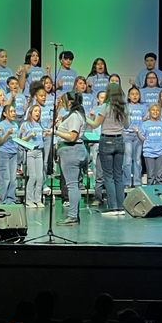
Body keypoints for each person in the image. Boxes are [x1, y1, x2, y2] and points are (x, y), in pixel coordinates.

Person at [84, 83, 127, 214]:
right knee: (118, 175)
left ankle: (113, 207)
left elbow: (95, 124)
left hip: (106, 140)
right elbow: (127, 125)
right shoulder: (124, 107)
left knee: (108, 176)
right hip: (120, 140)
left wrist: (84, 117)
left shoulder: (105, 106)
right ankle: (121, 207)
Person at [55, 92, 88, 225]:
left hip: (71, 151)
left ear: (70, 102)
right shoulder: (77, 115)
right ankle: (74, 215)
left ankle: (73, 216)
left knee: (72, 185)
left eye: (64, 102)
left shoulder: (75, 116)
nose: (63, 104)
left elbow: (72, 136)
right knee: (74, 185)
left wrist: (56, 131)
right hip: (74, 151)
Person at [137, 104, 162, 186]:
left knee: (159, 176)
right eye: (153, 110)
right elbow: (142, 139)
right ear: (149, 112)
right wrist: (137, 133)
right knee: (151, 175)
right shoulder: (145, 124)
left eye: (157, 110)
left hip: (160, 152)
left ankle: (160, 194)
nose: (155, 112)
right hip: (149, 152)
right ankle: (150, 194)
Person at [0, 103, 20, 205]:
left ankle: (11, 199)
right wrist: (7, 134)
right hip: (3, 153)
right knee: (5, 178)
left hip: (14, 153)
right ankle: (3, 200)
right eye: (11, 111)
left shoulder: (15, 125)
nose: (14, 113)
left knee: (13, 179)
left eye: (14, 111)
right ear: (5, 113)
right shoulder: (1, 125)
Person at [20, 104, 45, 208]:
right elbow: (20, 140)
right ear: (30, 112)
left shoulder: (40, 125)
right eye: (35, 111)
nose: (38, 113)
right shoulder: (25, 125)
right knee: (33, 176)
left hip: (39, 152)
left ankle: (37, 199)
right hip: (30, 151)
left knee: (40, 177)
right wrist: (30, 135)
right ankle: (28, 200)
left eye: (39, 111)